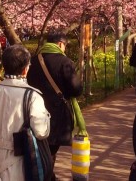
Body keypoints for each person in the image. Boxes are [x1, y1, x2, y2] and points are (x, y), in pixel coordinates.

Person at [0, 45, 50, 181]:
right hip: (19, 161)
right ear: (26, 69)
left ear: (4, 65)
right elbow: (41, 132)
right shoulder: (33, 96)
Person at [26, 33, 84, 180]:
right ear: (60, 44)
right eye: (65, 45)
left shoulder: (33, 61)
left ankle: (47, 175)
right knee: (51, 149)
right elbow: (76, 90)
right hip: (57, 113)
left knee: (39, 147)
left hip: (33, 111)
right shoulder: (65, 62)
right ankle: (47, 175)